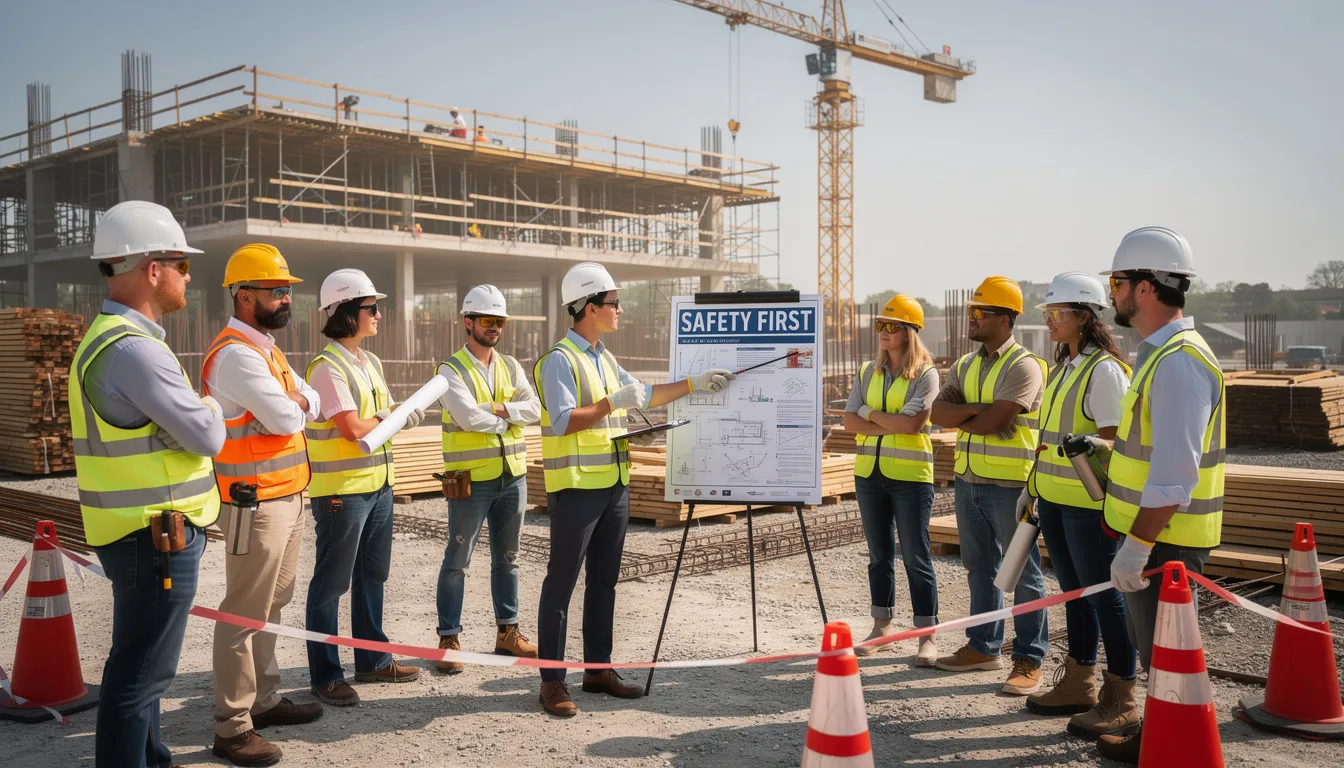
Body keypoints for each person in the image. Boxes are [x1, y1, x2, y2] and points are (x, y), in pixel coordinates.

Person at [533, 261, 735, 717]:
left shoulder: (604, 357)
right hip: (577, 488)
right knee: (560, 585)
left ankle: (597, 670)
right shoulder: (558, 360)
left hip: (614, 485)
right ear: (588, 307)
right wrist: (610, 404)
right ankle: (551, 682)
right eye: (613, 303)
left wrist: (694, 384)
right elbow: (563, 422)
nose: (620, 309)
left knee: (604, 583)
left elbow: (644, 396)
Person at [72, 200, 225, 768]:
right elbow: (208, 435)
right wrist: (208, 409)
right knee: (141, 677)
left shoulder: (108, 339)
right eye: (182, 265)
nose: (188, 276)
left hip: (137, 531)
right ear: (152, 269)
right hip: (155, 535)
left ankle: (152, 759)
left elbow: (178, 431)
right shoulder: (135, 351)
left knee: (142, 668)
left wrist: (181, 425)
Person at [1094, 227, 1224, 764]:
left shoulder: (1178, 361)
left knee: (1167, 653)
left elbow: (1175, 474)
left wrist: (1137, 546)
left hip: (1165, 541)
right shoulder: (1160, 356)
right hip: (1154, 537)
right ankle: (1162, 737)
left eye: (1117, 283)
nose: (1113, 293)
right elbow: (1150, 452)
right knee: (1158, 652)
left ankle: (1174, 748)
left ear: (1145, 288)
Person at [204, 244, 322, 765]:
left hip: (287, 496)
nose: (285, 298)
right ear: (244, 295)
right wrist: (295, 403)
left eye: (287, 290)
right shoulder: (236, 355)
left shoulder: (267, 350)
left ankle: (265, 700)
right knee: (243, 611)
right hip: (253, 504)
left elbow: (310, 401)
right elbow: (289, 417)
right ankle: (232, 726)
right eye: (276, 290)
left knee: (273, 603)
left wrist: (296, 401)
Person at [1019, 272, 1140, 739]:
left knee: (1104, 598)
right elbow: (1048, 440)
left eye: (1057, 313)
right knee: (1074, 593)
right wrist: (1032, 486)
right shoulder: (1065, 368)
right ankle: (1079, 682)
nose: (1049, 320)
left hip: (1089, 508)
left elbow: (1113, 441)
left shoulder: (1103, 371)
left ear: (1085, 317)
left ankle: (1122, 697)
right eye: (1048, 312)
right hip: (1054, 500)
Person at [304, 269, 426, 706]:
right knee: (331, 583)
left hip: (378, 486)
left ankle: (372, 660)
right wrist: (393, 417)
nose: (378, 314)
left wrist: (400, 414)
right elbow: (354, 428)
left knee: (373, 575)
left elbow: (379, 416)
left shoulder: (369, 362)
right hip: (343, 492)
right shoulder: (326, 368)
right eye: (371, 308)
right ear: (345, 312)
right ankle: (326, 675)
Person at [930, 275, 1049, 695]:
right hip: (969, 481)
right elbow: (937, 414)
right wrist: (979, 410)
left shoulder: (1024, 366)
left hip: (1011, 485)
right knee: (979, 567)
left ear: (1005, 318)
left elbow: (998, 422)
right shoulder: (964, 365)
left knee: (1023, 573)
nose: (972, 318)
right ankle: (983, 647)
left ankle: (1029, 658)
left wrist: (968, 413)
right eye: (971, 311)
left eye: (980, 312)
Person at [433, 285, 541, 673]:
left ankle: (507, 633)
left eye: (500, 321)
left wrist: (496, 408)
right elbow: (467, 418)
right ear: (468, 322)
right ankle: (449, 638)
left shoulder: (511, 366)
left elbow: (536, 409)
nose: (495, 327)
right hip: (471, 479)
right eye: (487, 320)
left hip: (512, 476)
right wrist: (508, 418)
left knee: (508, 559)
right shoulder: (450, 370)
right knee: (457, 560)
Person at [844, 295, 941, 665]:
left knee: (916, 556)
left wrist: (869, 414)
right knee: (878, 555)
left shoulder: (926, 374)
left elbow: (913, 424)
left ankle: (926, 636)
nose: (883, 332)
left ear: (909, 332)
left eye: (892, 326)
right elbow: (849, 421)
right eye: (880, 325)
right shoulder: (867, 371)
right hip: (869, 474)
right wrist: (888, 420)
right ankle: (882, 627)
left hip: (910, 478)